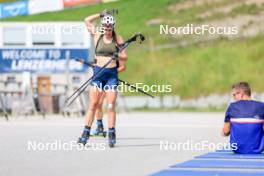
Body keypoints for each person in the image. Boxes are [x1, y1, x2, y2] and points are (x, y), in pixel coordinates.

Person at [78, 11, 127, 147]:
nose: (107, 29)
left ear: (113, 26)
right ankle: (85, 133)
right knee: (93, 105)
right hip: (98, 75)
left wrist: (118, 55)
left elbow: (125, 57)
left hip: (111, 76)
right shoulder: (97, 35)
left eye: (109, 26)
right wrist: (100, 14)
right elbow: (86, 19)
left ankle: (111, 133)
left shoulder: (118, 38)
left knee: (111, 105)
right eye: (105, 26)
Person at [222, 82, 264, 154]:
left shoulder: (232, 107)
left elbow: (225, 132)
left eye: (234, 95)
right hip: (258, 149)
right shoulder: (261, 106)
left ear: (240, 94)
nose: (233, 97)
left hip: (237, 149)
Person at [94, 60, 127, 136]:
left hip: (111, 80)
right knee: (98, 103)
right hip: (101, 80)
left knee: (110, 105)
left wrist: (110, 71)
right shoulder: (99, 50)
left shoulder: (118, 51)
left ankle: (111, 129)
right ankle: (99, 126)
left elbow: (123, 67)